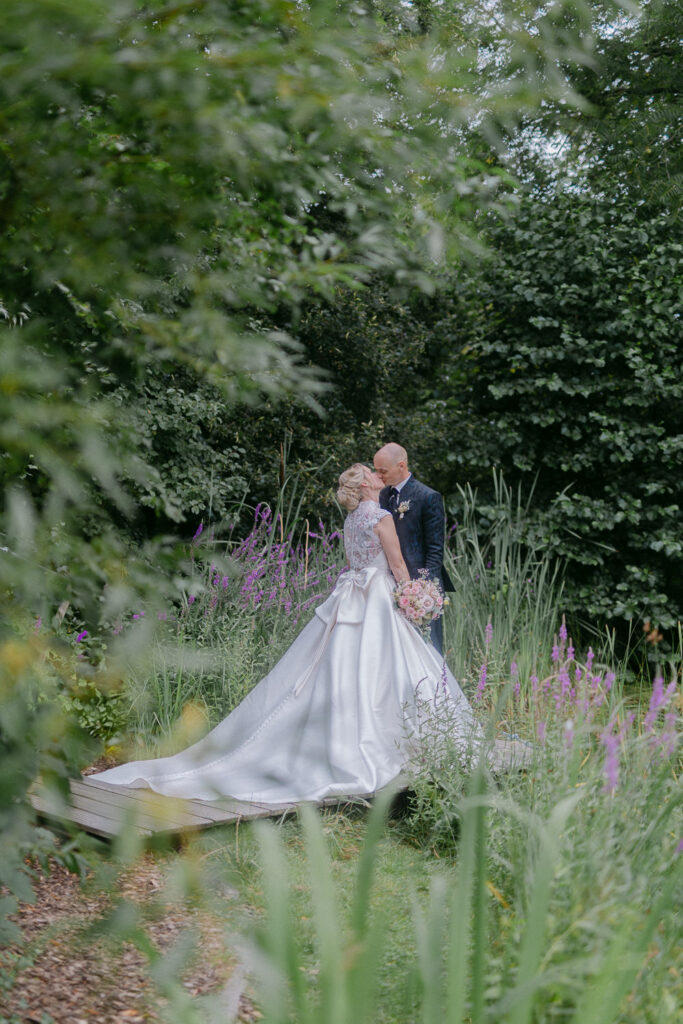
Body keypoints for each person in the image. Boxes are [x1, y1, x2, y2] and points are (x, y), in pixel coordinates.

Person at [95, 464, 481, 805]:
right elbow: (397, 566)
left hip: (351, 597)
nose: (378, 477)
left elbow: (353, 562)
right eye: (372, 473)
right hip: (377, 598)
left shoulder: (350, 521)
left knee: (342, 670)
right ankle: (392, 742)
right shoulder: (380, 516)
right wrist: (414, 596)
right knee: (392, 670)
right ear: (365, 485)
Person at [374, 443, 453, 654]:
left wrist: (424, 589)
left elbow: (435, 549)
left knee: (428, 647)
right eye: (376, 470)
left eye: (383, 471)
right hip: (389, 583)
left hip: (419, 588)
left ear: (401, 466)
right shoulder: (382, 496)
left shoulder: (428, 496)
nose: (378, 475)